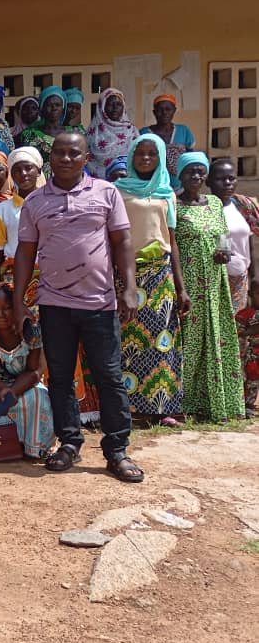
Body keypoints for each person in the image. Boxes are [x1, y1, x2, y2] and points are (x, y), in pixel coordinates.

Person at [13, 131, 145, 482]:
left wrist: (129, 288)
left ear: (86, 158)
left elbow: (123, 241)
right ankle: (69, 443)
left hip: (100, 303)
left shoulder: (106, 193)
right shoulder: (36, 202)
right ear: (50, 157)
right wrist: (18, 301)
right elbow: (25, 252)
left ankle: (117, 450)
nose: (66, 159)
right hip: (53, 303)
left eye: (74, 153)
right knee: (59, 377)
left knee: (109, 377)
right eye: (59, 153)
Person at [113, 133, 187, 424]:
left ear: (159, 159)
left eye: (151, 154)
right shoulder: (118, 191)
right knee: (128, 341)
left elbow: (171, 239)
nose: (145, 158)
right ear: (131, 156)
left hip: (160, 274)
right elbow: (114, 237)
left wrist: (181, 288)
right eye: (140, 153)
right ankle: (128, 408)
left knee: (162, 341)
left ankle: (160, 407)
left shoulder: (167, 192)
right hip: (128, 273)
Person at [174, 152, 244, 421]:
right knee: (190, 341)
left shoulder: (214, 203)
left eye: (201, 172)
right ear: (180, 175)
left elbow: (223, 234)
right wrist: (181, 287)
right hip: (189, 282)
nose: (196, 176)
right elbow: (173, 245)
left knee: (216, 337)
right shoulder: (175, 204)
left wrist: (224, 252)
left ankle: (218, 401)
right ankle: (186, 403)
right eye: (190, 171)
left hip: (215, 282)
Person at [0, 282, 53, 458]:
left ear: (16, 307)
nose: (0, 315)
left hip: (24, 384)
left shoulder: (32, 330)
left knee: (38, 397)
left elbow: (34, 371)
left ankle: (33, 447)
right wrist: (3, 391)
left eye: (6, 308)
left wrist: (12, 392)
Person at [207, 160, 259, 413]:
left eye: (231, 178)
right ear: (209, 181)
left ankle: (242, 397)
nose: (227, 184)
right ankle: (219, 396)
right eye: (220, 179)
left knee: (241, 340)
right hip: (212, 282)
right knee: (218, 339)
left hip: (240, 283)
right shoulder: (204, 207)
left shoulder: (244, 206)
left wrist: (255, 279)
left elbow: (253, 243)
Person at [0, 148, 43, 284]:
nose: (23, 174)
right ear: (11, 175)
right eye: (17, 170)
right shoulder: (3, 210)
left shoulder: (52, 206)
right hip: (13, 276)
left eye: (29, 168)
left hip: (47, 276)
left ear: (39, 171)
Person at [86, 88, 138, 180]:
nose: (115, 108)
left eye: (118, 104)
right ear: (102, 107)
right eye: (110, 104)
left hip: (127, 183)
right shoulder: (92, 133)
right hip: (97, 185)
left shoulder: (132, 131)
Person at [17, 85, 68, 178]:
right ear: (41, 108)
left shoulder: (72, 135)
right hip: (38, 184)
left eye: (58, 105)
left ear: (63, 108)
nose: (54, 108)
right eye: (49, 105)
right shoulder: (29, 134)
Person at [141, 94, 195, 179]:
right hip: (152, 185)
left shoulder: (183, 131)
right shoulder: (144, 133)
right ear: (154, 112)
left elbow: (191, 157)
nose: (164, 113)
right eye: (160, 110)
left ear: (174, 111)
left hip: (180, 185)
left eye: (168, 109)